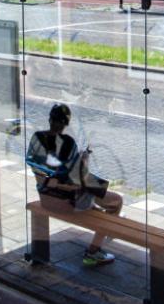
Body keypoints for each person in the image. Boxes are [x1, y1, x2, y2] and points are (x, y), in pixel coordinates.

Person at [26, 104, 123, 266]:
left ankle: (97, 212)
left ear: (49, 119)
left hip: (46, 199)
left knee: (95, 193)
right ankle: (93, 252)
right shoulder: (69, 142)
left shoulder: (37, 138)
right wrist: (84, 158)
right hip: (67, 203)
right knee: (116, 202)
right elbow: (79, 176)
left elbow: (42, 170)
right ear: (66, 124)